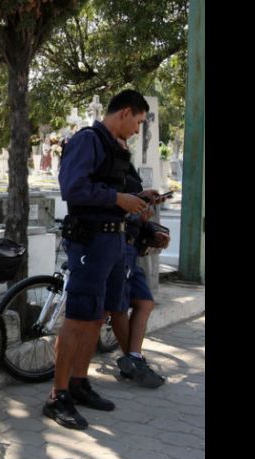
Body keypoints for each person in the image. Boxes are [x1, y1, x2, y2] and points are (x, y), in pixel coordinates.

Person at [44, 89, 152, 430]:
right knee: (78, 317)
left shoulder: (116, 146)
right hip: (90, 239)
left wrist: (138, 197)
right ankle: (57, 396)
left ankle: (78, 383)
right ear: (125, 112)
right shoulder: (87, 140)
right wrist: (118, 198)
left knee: (96, 316)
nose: (137, 130)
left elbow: (116, 189)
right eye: (137, 121)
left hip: (114, 240)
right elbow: (72, 189)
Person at [108, 168, 169, 388]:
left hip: (131, 249)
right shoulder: (105, 166)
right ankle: (133, 362)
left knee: (145, 302)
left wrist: (151, 229)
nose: (135, 131)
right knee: (119, 307)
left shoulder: (125, 165)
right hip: (118, 246)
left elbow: (135, 215)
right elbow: (114, 211)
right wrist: (138, 212)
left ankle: (133, 357)